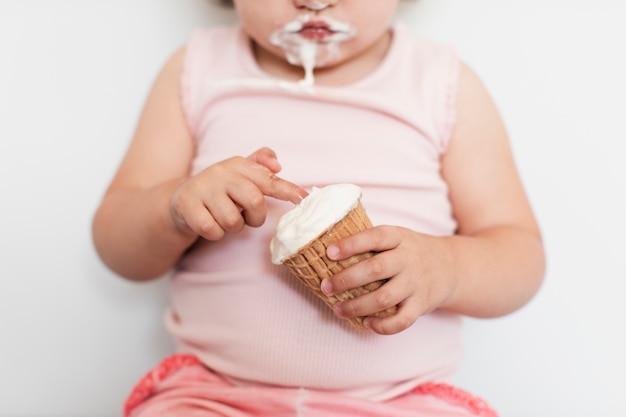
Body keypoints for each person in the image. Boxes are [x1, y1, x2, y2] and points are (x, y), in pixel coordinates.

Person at [92, 0, 545, 415]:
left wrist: (448, 267)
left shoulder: (441, 84)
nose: (314, 1)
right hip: (216, 393)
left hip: (400, 400)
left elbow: (520, 255)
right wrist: (174, 208)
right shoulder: (197, 71)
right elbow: (116, 244)